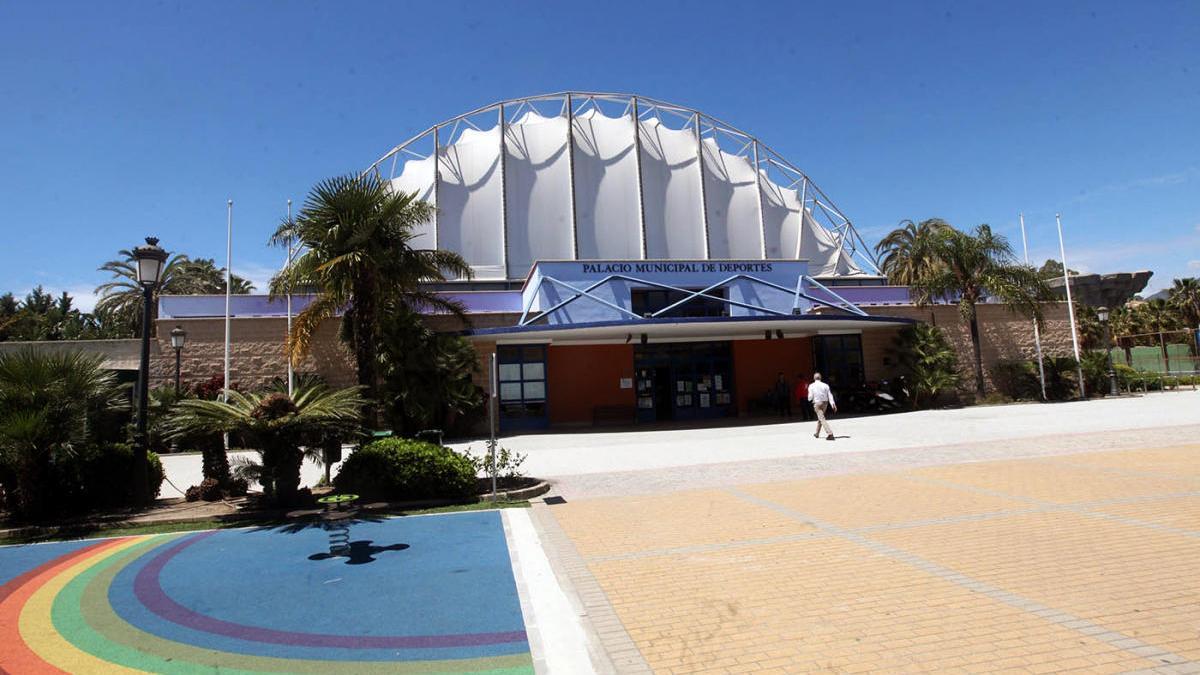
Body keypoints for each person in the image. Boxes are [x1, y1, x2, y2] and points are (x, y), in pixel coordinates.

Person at [807, 372, 836, 440]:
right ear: (820, 378)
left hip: (817, 403)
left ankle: (830, 434)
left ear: (814, 378)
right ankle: (817, 433)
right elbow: (830, 395)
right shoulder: (825, 385)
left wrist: (809, 399)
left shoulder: (811, 385)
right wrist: (832, 404)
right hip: (825, 403)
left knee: (822, 418)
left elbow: (810, 397)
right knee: (821, 417)